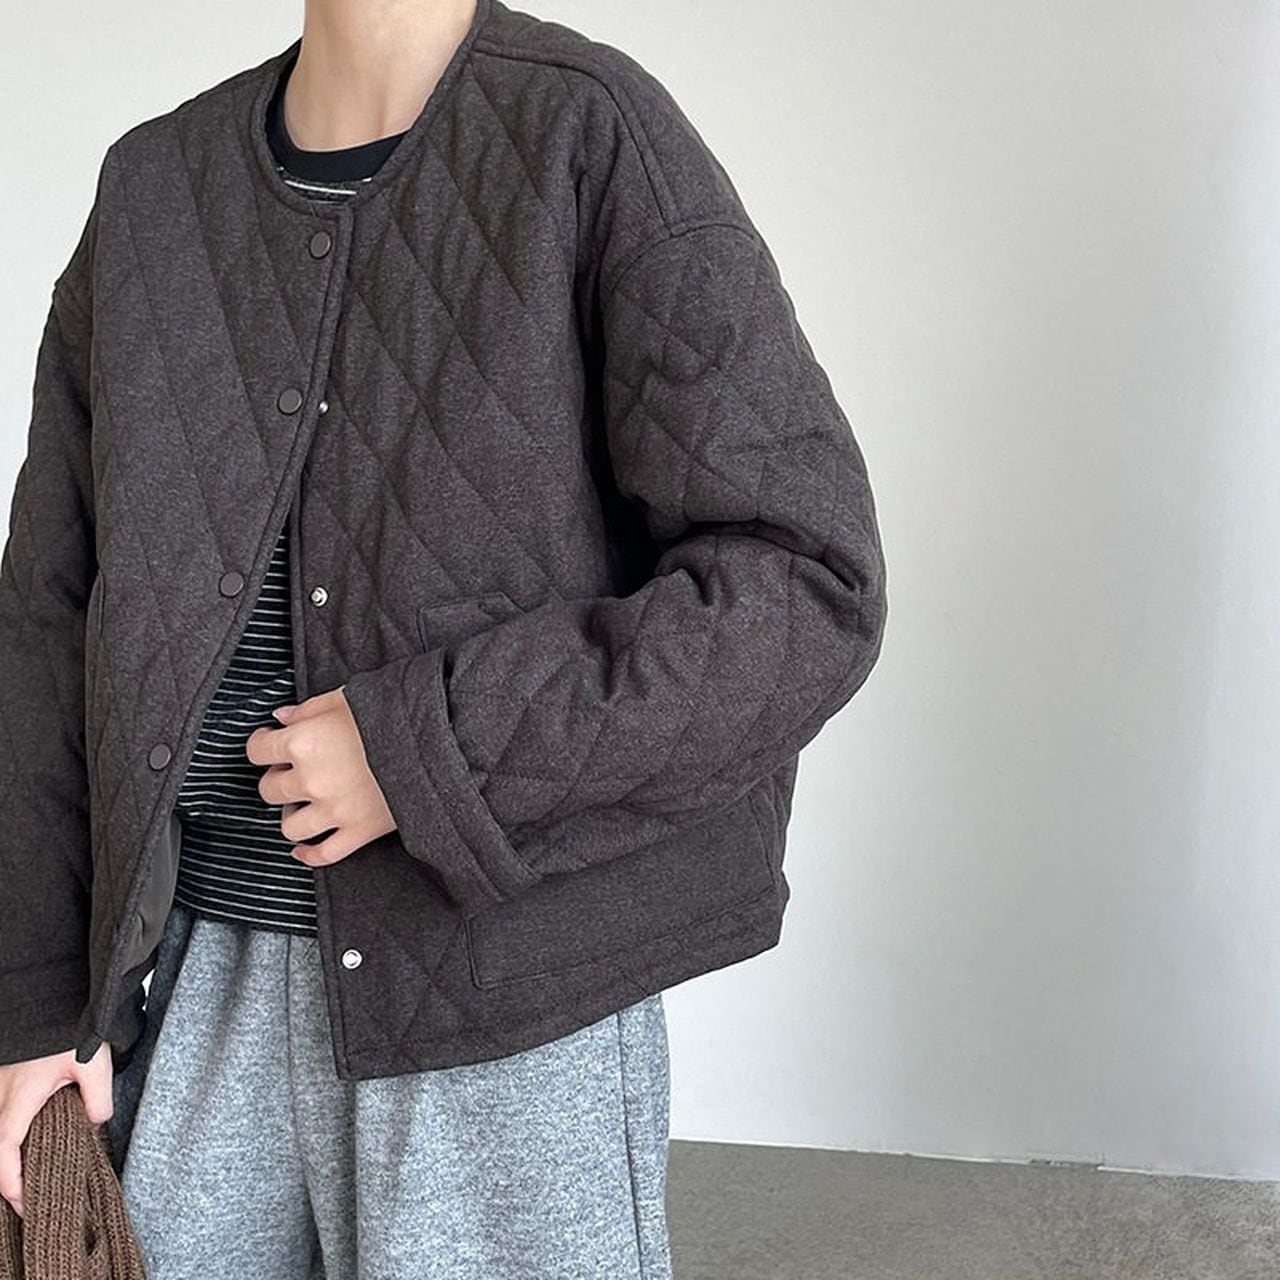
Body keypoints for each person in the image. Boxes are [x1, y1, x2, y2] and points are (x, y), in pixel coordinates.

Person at [0, 0, 888, 1275]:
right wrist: (35, 998)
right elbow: (45, 624)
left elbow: (802, 585)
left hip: (503, 1013)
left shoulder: (586, 129)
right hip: (194, 999)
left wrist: (424, 750)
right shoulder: (153, 186)